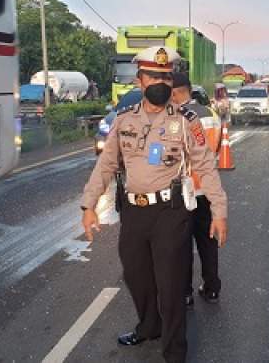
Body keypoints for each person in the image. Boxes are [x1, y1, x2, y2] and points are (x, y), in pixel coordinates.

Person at [80, 46, 228, 363]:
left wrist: (219, 211)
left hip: (170, 213)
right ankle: (150, 327)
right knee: (136, 275)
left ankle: (175, 352)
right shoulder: (123, 120)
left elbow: (206, 167)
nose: (161, 82)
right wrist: (89, 205)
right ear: (140, 80)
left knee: (171, 284)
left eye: (166, 76)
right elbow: (106, 164)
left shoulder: (187, 121)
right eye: (154, 76)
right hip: (133, 212)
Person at [170, 73, 223, 307]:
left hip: (182, 191)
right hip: (207, 189)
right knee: (208, 241)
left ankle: (185, 293)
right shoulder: (211, 114)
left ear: (174, 93)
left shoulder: (177, 117)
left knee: (181, 245)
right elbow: (217, 147)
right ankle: (212, 288)